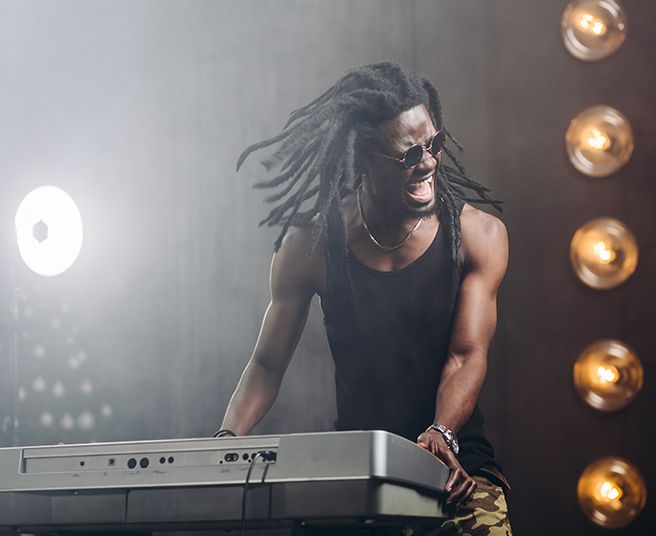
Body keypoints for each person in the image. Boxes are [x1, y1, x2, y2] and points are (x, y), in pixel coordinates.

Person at [216, 62, 512, 535]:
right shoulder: (310, 247)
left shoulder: (479, 236)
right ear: (365, 160)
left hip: (454, 461)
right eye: (409, 153)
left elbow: (466, 354)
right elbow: (267, 365)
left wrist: (441, 432)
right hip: (359, 469)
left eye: (434, 144)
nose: (428, 162)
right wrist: (226, 441)